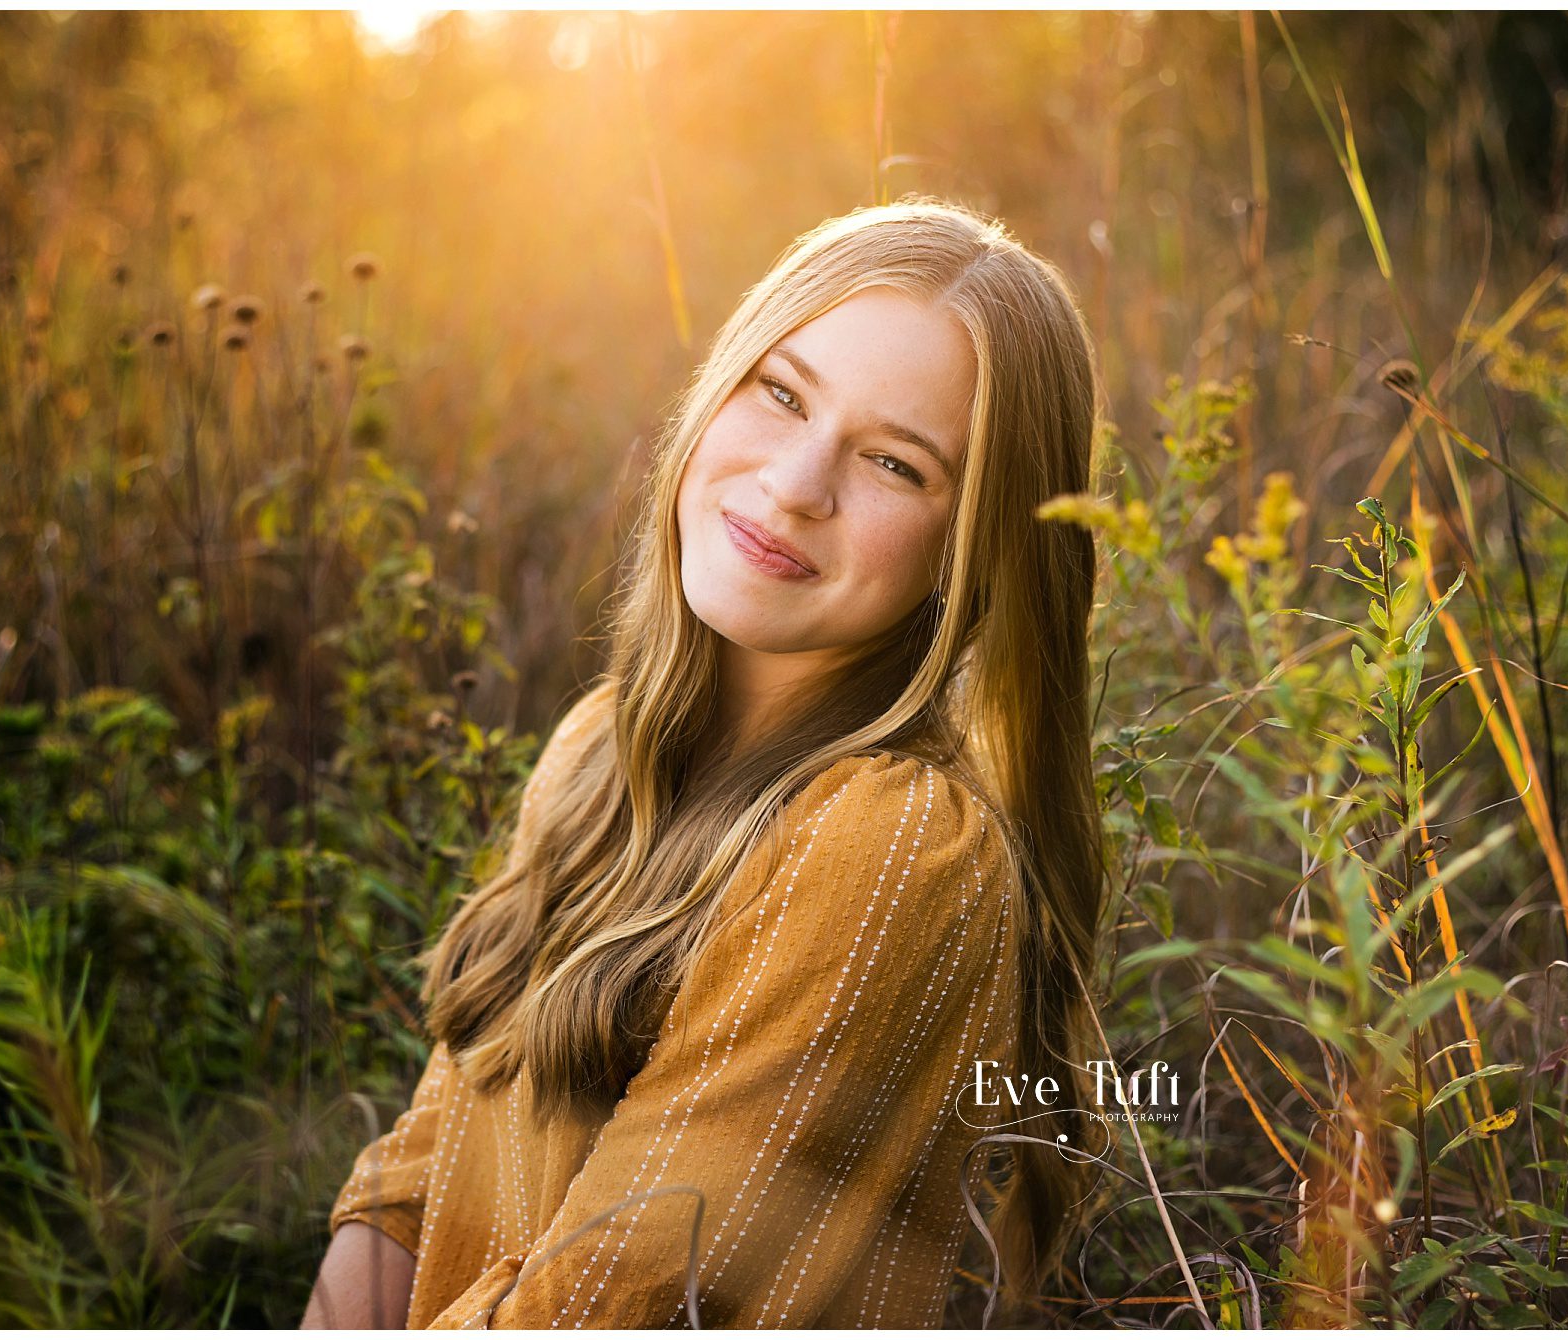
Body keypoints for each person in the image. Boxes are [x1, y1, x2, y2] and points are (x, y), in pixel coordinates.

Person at [303, 195, 1107, 1329]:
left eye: (893, 462)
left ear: (966, 551)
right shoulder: (599, 742)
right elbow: (426, 1163)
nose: (791, 482)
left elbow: (615, 1293)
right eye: (780, 393)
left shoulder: (893, 842)